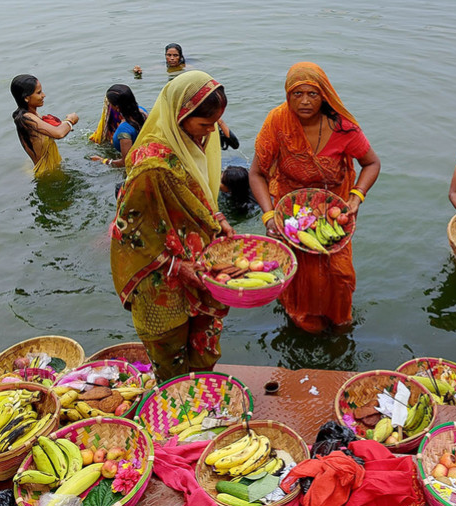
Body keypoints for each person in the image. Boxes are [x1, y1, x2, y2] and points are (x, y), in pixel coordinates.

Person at [110, 70, 235, 383]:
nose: (209, 135)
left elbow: (198, 196)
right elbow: (128, 230)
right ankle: (176, 408)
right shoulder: (150, 165)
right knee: (171, 357)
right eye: (204, 124)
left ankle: (201, 396)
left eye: (213, 125)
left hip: (197, 259)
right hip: (159, 276)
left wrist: (218, 219)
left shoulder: (190, 145)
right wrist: (178, 267)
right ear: (181, 115)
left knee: (204, 348)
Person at [249, 62, 381, 334]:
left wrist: (356, 198)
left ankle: (339, 319)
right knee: (301, 272)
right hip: (291, 210)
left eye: (313, 94)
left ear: (325, 95)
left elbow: (372, 163)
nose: (305, 101)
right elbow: (257, 173)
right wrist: (268, 215)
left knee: (340, 273)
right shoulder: (277, 121)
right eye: (297, 94)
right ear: (288, 96)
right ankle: (303, 319)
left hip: (333, 207)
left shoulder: (343, 126)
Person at [10, 74, 79, 176]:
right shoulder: (27, 119)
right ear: (26, 98)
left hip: (52, 168)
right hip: (47, 174)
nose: (43, 95)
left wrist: (65, 126)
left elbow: (51, 132)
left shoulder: (34, 115)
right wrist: (70, 121)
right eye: (39, 93)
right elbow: (59, 134)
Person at [89, 84, 147, 168]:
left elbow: (126, 162)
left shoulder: (124, 130)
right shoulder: (142, 112)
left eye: (110, 103)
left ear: (116, 107)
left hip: (136, 168)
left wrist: (103, 160)